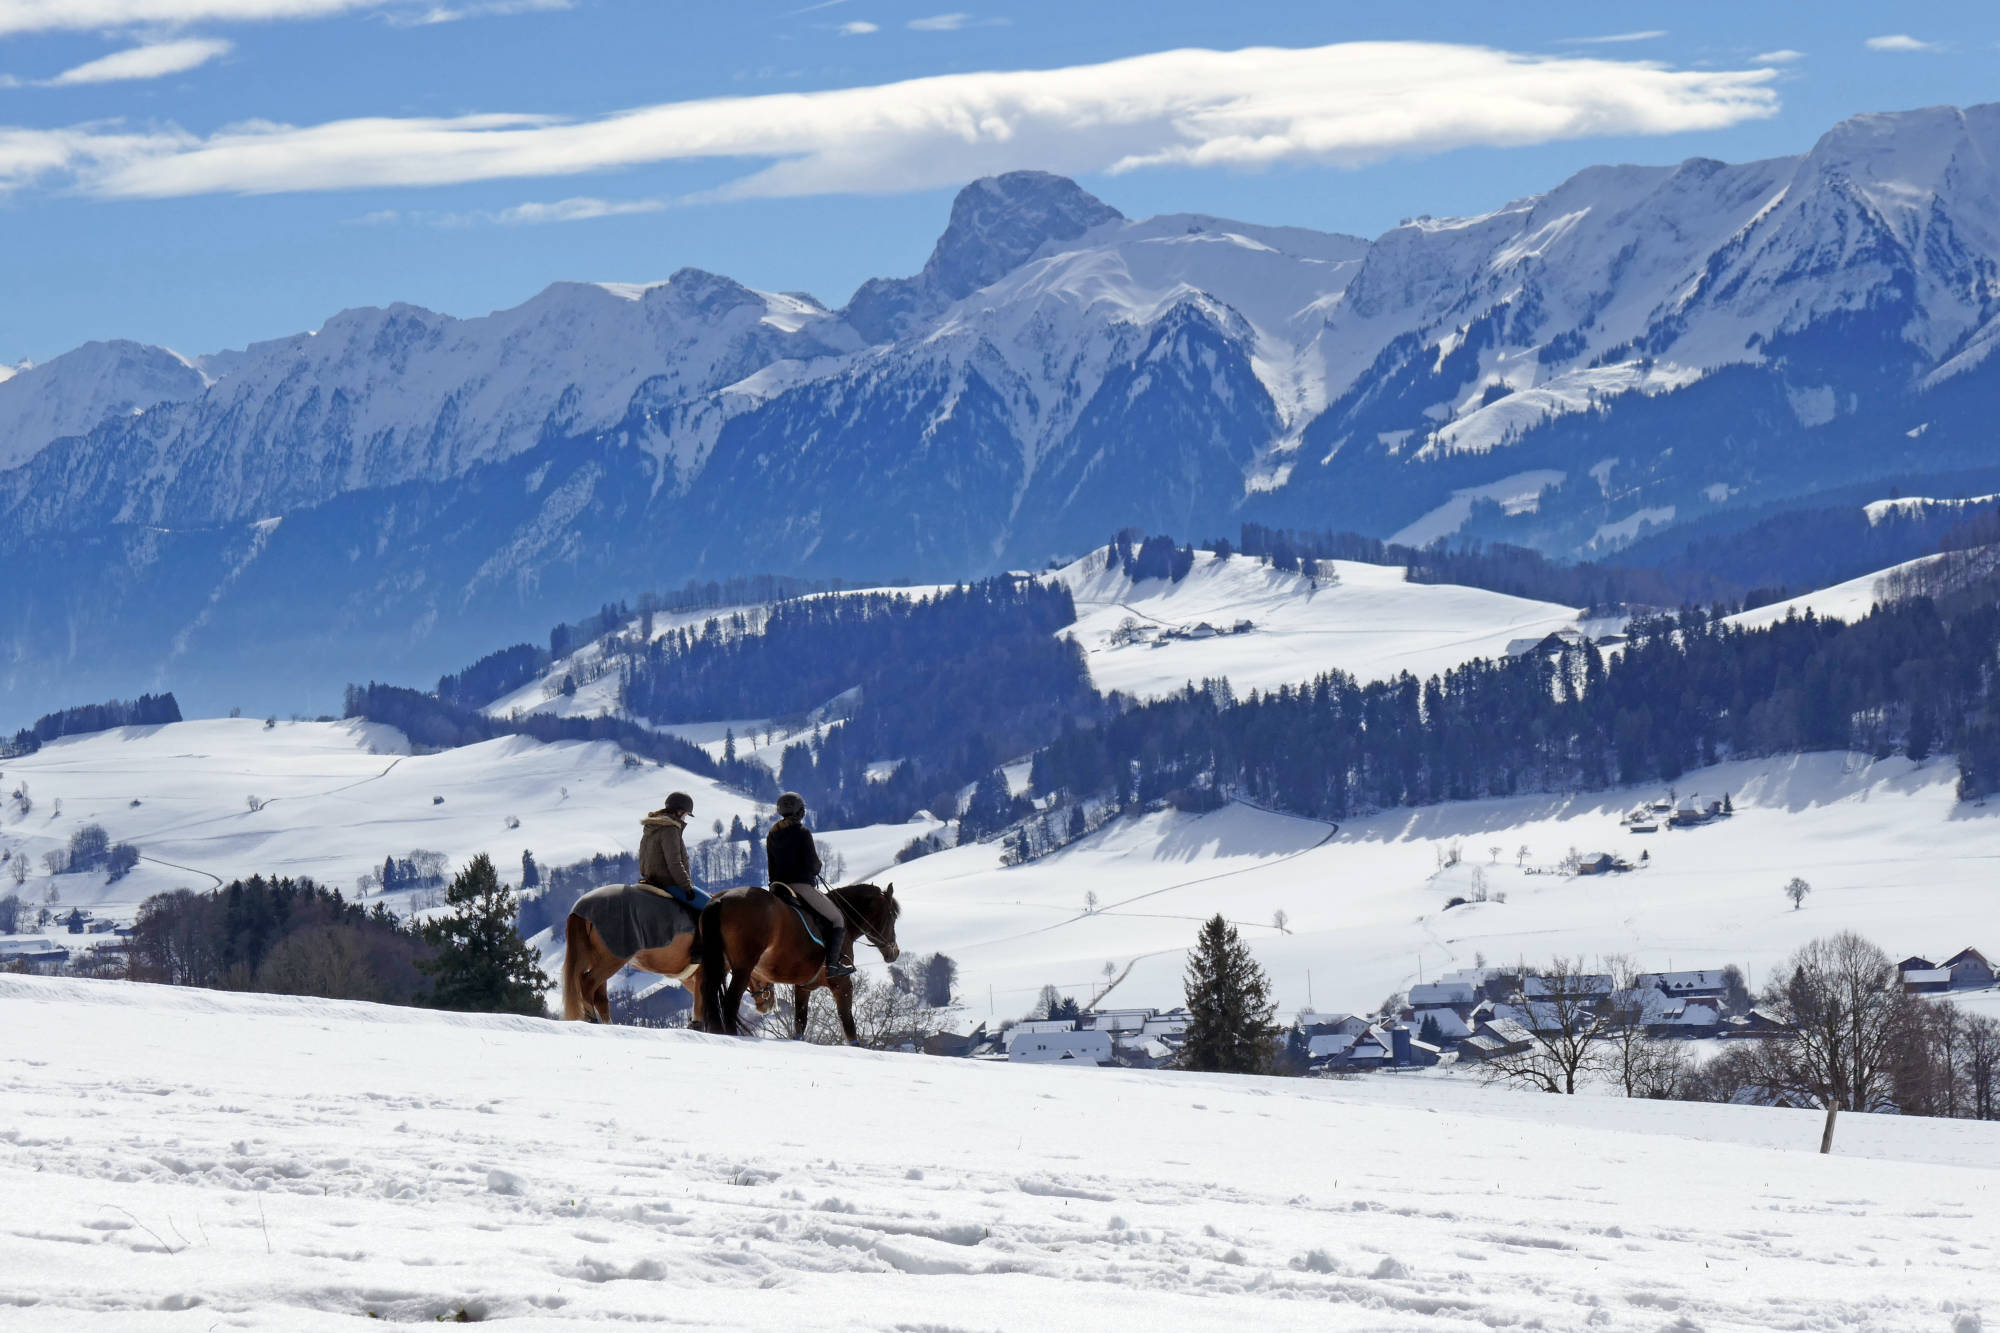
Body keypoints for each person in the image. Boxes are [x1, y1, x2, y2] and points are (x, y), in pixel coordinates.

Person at [766, 792, 851, 978]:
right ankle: (833, 966)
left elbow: (771, 866)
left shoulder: (772, 834)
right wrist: (817, 867)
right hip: (800, 887)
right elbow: (813, 864)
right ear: (800, 812)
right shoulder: (802, 833)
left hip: (778, 888)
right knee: (837, 919)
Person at [639, 791, 707, 909]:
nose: (685, 818)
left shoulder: (652, 826)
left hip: (650, 880)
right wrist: (687, 887)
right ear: (679, 811)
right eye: (685, 815)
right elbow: (674, 863)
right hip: (669, 883)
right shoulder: (670, 829)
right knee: (711, 906)